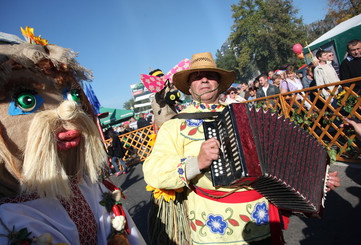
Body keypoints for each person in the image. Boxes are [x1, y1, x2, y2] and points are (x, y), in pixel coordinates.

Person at [142, 52, 340, 244]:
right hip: (213, 229)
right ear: (189, 86)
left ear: (219, 83)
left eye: (210, 76)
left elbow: (280, 157)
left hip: (262, 219)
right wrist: (197, 162)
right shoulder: (175, 125)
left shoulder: (246, 116)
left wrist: (317, 181)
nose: (204, 80)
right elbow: (153, 171)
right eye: (197, 77)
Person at [0, 31, 145, 244]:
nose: (68, 109)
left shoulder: (90, 186)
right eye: (26, 100)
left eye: (72, 95)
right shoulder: (17, 220)